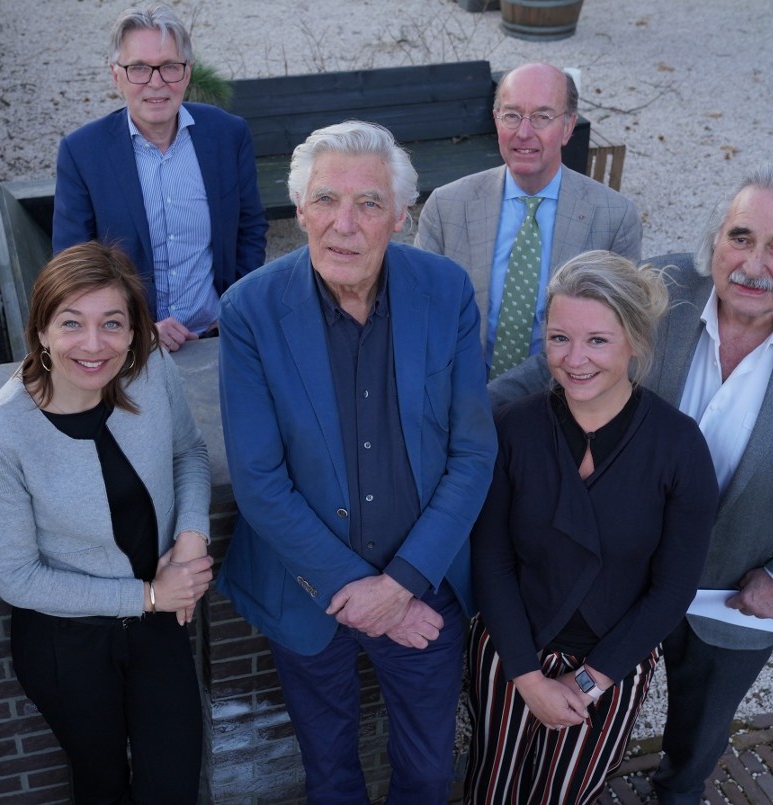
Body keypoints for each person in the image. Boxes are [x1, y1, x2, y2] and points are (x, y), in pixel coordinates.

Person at [218, 120, 497, 804]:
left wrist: (401, 585)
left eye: (369, 203)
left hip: (423, 586)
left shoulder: (445, 291)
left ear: (400, 216)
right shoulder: (251, 309)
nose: (344, 224)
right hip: (306, 591)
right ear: (300, 208)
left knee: (428, 774)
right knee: (330, 773)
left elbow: (471, 453)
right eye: (326, 199)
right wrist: (360, 592)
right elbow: (259, 481)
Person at [488, 164, 773, 803]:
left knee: (697, 742)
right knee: (582, 730)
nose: (754, 265)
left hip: (731, 591)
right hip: (612, 574)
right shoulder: (661, 288)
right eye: (741, 237)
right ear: (715, 238)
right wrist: (463, 423)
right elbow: (560, 361)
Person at [467, 251, 719, 803]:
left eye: (597, 340)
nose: (574, 359)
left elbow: (673, 587)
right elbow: (491, 560)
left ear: (635, 340)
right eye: (559, 338)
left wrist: (587, 682)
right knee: (493, 786)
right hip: (511, 652)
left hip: (610, 667)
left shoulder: (679, 447)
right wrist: (528, 678)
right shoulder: (513, 429)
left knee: (567, 794)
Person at [0, 241, 214, 804]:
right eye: (72, 323)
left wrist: (190, 539)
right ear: (41, 331)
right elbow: (16, 577)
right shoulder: (1, 432)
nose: (94, 344)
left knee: (172, 785)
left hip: (160, 621)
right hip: (68, 642)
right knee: (101, 785)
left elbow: (188, 452)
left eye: (112, 323)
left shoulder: (150, 367)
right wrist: (148, 595)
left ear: (133, 331)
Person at [52, 3, 268, 353]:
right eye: (138, 67)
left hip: (217, 337)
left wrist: (235, 310)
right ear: (116, 75)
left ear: (187, 73)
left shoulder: (228, 135)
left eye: (169, 66)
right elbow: (73, 266)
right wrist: (136, 331)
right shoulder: (83, 153)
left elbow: (250, 227)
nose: (156, 82)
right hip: (129, 346)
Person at [414, 62, 642, 379]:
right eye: (512, 115)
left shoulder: (614, 218)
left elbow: (623, 335)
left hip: (564, 390)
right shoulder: (447, 207)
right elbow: (419, 313)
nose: (523, 132)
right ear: (496, 121)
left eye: (542, 117)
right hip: (459, 385)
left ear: (568, 127)